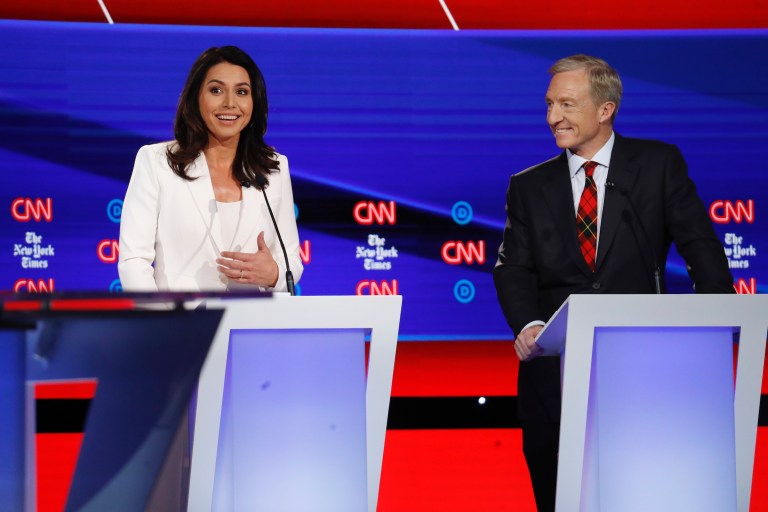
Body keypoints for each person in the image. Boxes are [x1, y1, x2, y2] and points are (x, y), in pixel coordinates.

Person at [492, 54, 733, 512]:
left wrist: (717, 321)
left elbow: (700, 245)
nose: (553, 117)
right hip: (554, 372)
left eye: (566, 104)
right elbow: (512, 267)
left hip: (643, 365)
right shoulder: (527, 186)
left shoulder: (657, 164)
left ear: (605, 110)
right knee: (560, 492)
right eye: (548, 105)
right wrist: (528, 325)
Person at [118, 46, 302, 293]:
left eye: (241, 92)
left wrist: (274, 274)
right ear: (196, 98)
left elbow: (290, 260)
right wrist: (162, 323)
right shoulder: (157, 162)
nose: (230, 103)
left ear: (254, 102)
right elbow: (134, 262)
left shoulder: (273, 169)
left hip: (251, 325)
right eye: (216, 90)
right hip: (179, 325)